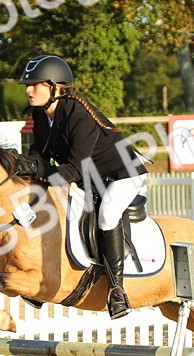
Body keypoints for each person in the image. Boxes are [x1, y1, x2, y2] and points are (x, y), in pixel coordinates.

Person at [14, 54, 147, 319]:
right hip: (89, 179)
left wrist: (37, 169)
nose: (29, 90)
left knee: (108, 214)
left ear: (56, 86)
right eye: (28, 85)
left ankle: (117, 290)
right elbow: (38, 155)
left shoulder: (78, 113)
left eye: (36, 84)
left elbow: (74, 169)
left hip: (122, 174)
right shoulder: (40, 114)